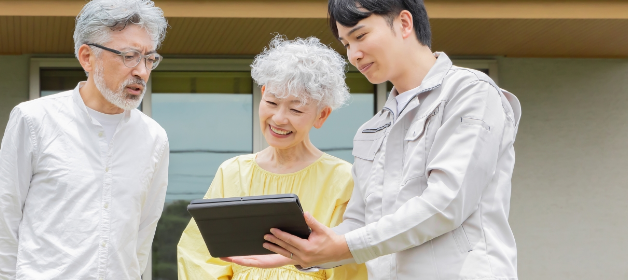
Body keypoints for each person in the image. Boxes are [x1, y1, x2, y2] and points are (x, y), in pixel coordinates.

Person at [222, 0, 522, 279]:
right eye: (346, 44)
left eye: (360, 36)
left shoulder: (470, 93)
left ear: (405, 23)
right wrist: (302, 250)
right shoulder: (372, 130)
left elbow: (447, 202)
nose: (353, 54)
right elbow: (359, 223)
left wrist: (343, 246)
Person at [0, 0, 170, 279]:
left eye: (148, 58)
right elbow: (5, 218)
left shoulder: (154, 138)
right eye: (129, 56)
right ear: (87, 57)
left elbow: (144, 232)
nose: (142, 72)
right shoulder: (34, 120)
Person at [175, 36, 367, 280]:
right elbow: (199, 257)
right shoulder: (233, 172)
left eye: (296, 109)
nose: (278, 118)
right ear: (262, 93)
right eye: (272, 102)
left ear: (322, 115)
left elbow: (351, 266)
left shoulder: (342, 179)